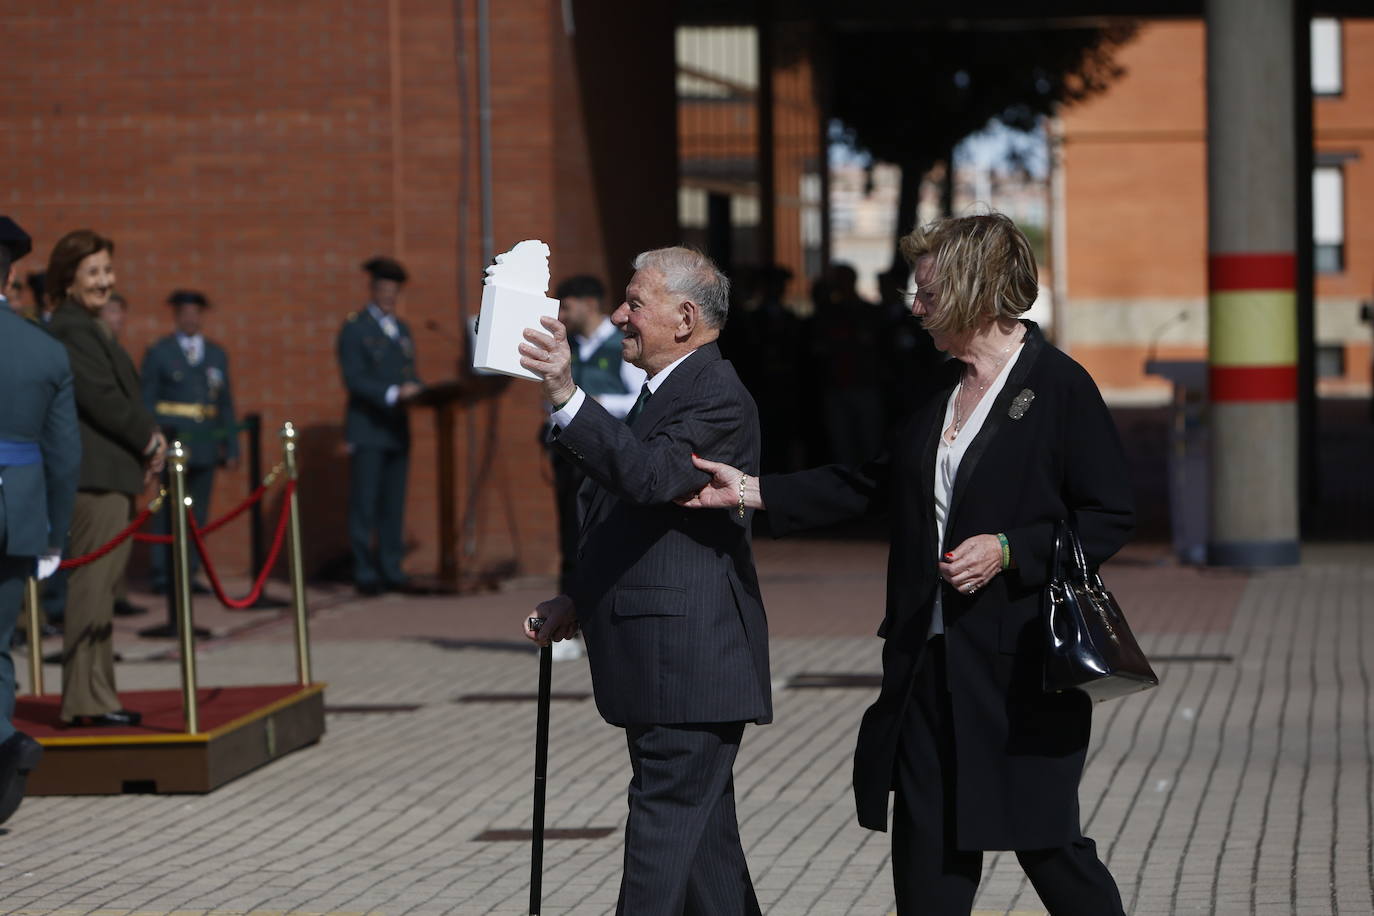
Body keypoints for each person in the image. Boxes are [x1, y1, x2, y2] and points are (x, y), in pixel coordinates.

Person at [680, 213, 1134, 915]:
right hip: (928, 662)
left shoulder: (1058, 387)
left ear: (973, 292)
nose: (913, 307)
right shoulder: (933, 389)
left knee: (1046, 843)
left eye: (925, 292)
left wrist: (1011, 548)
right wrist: (749, 490)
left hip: (1020, 667)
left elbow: (1108, 514)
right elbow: (871, 482)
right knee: (927, 846)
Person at [519, 247, 770, 914]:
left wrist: (566, 396)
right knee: (704, 847)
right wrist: (579, 596)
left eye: (636, 303)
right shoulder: (668, 391)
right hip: (667, 661)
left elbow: (651, 478)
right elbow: (630, 516)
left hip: (689, 662)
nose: (621, 315)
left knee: (662, 836)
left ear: (685, 318)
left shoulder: (714, 394)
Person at [46, 229, 165, 727]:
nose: (104, 281)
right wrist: (149, 437)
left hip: (111, 474)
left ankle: (99, 696)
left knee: (104, 588)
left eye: (107, 271)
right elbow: (103, 399)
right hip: (95, 478)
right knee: (92, 589)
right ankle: (82, 701)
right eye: (93, 272)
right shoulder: (72, 329)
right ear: (69, 280)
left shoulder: (92, 326)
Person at [0, 216, 80, 822]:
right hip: (17, 510)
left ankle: (4, 745)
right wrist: (54, 534)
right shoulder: (45, 349)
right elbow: (64, 455)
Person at [546, 274, 646, 660]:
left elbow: (638, 398)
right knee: (570, 537)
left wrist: (591, 405)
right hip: (570, 455)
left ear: (588, 304)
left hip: (609, 455)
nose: (562, 314)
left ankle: (604, 626)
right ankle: (568, 627)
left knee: (603, 536)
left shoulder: (621, 342)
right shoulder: (568, 345)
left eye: (567, 305)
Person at [140, 289, 240, 595]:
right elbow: (148, 400)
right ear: (176, 316)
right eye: (185, 313)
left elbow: (225, 403)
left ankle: (190, 569)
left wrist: (231, 445)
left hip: (206, 442)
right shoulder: (160, 352)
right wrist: (153, 441)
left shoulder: (216, 354)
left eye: (195, 313)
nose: (190, 318)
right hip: (175, 442)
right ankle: (162, 572)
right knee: (168, 508)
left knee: (199, 511)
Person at [337, 256, 422, 596]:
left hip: (396, 430)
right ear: (373, 290)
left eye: (394, 291)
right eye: (384, 290)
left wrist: (418, 388)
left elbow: (408, 373)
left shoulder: (402, 330)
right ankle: (364, 570)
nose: (389, 296)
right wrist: (392, 392)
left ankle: (391, 567)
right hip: (368, 428)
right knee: (365, 502)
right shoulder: (355, 328)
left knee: (393, 503)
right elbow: (354, 378)